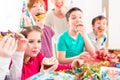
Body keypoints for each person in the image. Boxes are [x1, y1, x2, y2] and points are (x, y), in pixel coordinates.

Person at [19, 25, 84, 80]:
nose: (36, 46)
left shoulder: (38, 56)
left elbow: (55, 67)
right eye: (31, 41)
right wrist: (42, 75)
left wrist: (72, 65)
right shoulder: (15, 63)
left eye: (39, 41)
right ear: (21, 42)